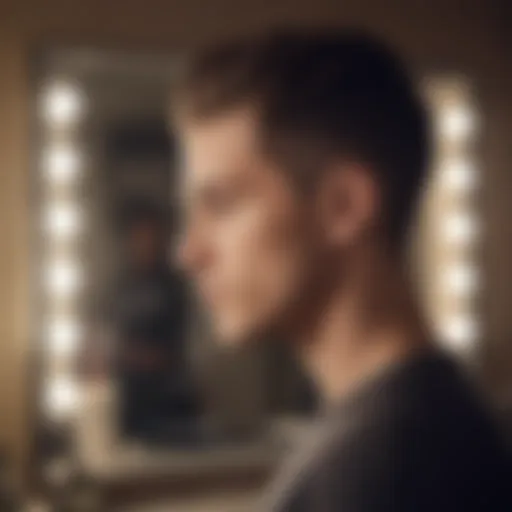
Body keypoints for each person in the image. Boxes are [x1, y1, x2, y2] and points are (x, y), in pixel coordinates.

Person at [173, 30, 511, 511]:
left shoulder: (385, 468)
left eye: (222, 204)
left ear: (344, 206)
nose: (189, 252)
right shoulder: (408, 430)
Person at [112, 199, 194, 444]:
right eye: (139, 235)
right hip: (124, 402)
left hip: (166, 404)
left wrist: (127, 355)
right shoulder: (117, 287)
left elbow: (172, 354)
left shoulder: (172, 288)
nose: (146, 242)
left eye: (151, 235)